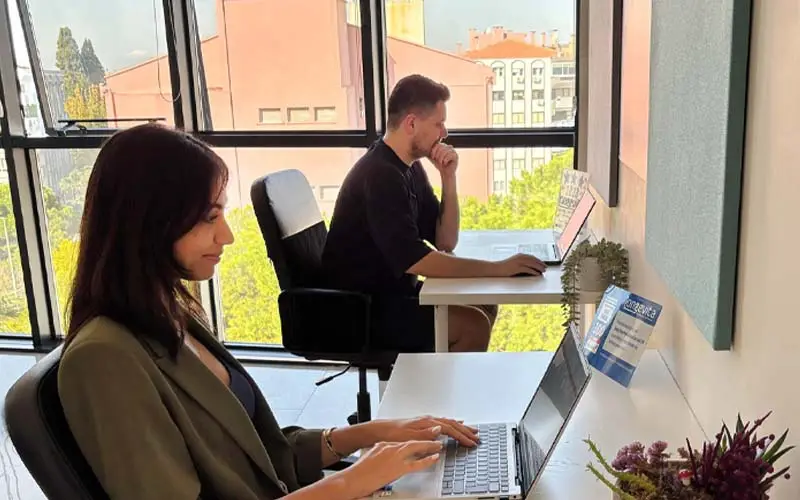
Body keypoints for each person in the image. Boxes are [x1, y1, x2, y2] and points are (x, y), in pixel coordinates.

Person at [57, 123, 481, 500]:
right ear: (148, 221)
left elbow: (264, 456)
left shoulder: (170, 314)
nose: (227, 236)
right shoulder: (105, 359)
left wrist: (375, 433)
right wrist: (354, 481)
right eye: (210, 217)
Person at [322, 74, 546, 352]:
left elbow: (445, 241)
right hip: (361, 310)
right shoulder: (380, 175)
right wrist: (498, 269)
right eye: (438, 123)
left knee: (484, 302)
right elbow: (417, 261)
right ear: (412, 123)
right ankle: (443, 394)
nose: (445, 133)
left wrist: (448, 177)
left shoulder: (409, 167)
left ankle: (441, 388)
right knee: (472, 325)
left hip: (391, 296)